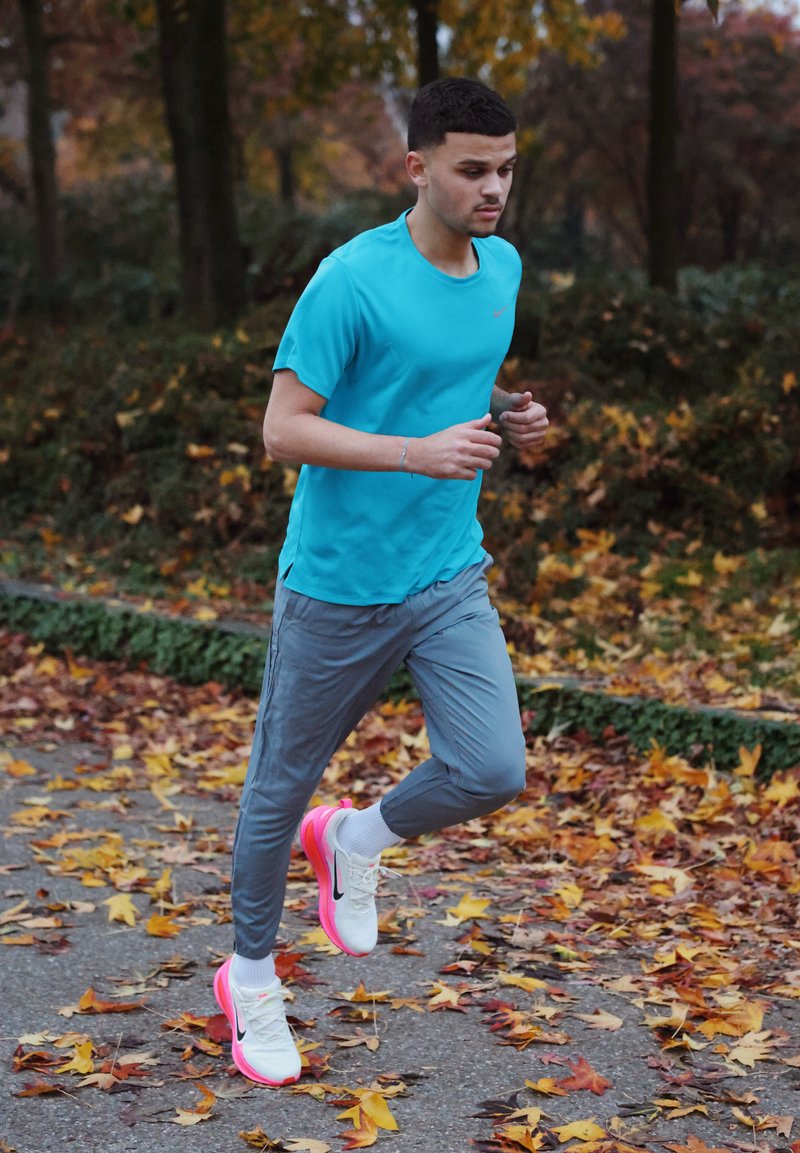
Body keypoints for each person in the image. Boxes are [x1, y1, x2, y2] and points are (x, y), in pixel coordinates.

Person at [213, 76, 549, 1087]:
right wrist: (413, 453)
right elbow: (283, 429)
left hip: (447, 572)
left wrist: (510, 417)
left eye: (505, 170)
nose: (494, 191)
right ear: (416, 168)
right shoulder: (348, 280)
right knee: (275, 793)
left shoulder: (502, 267)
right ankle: (249, 977)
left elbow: (445, 380)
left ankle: (356, 834)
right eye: (471, 171)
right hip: (337, 586)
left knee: (493, 769)